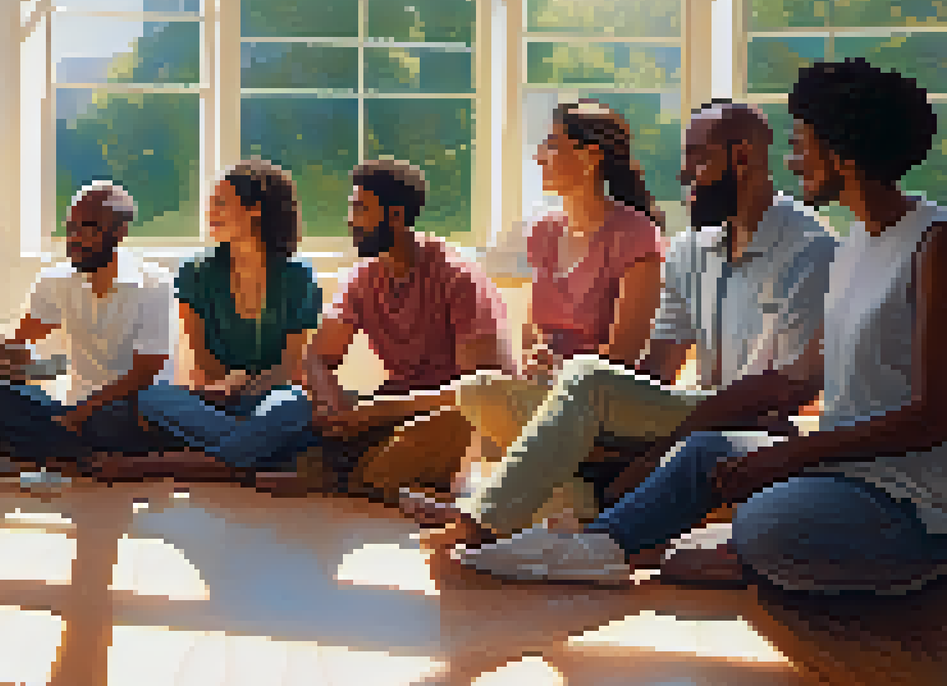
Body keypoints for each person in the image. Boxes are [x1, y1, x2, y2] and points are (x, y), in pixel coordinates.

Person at [460, 59, 947, 596]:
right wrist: (683, 445)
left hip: (923, 501)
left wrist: (789, 454)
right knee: (708, 450)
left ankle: (933, 553)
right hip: (849, 470)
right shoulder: (856, 246)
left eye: (800, 145)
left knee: (767, 525)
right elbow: (798, 379)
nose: (792, 161)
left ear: (841, 152)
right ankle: (597, 546)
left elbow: (931, 420)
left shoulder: (943, 243)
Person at [419, 99, 838, 554]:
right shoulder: (690, 249)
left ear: (742, 156)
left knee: (589, 380)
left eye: (697, 158)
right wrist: (576, 399)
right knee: (487, 391)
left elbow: (785, 392)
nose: (684, 173)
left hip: (755, 422)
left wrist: (659, 448)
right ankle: (566, 503)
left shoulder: (810, 250)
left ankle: (482, 522)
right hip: (693, 409)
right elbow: (658, 371)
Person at [336, 101, 666, 510]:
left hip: (602, 399)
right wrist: (537, 357)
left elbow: (624, 357)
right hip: (547, 392)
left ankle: (458, 494)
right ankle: (530, 505)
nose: (539, 156)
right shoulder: (544, 232)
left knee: (480, 389)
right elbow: (533, 331)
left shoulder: (636, 236)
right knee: (487, 398)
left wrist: (560, 370)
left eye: (552, 144)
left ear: (590, 156)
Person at [301, 160, 513, 501]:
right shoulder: (361, 278)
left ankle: (352, 475)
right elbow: (317, 357)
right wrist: (334, 406)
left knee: (448, 427)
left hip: (450, 414)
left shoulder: (458, 277)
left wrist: (375, 412)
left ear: (396, 216)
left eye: (361, 209)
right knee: (296, 409)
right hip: (395, 406)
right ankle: (367, 474)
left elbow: (485, 390)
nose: (350, 220)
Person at [0, 181, 187, 471]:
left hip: (130, 409)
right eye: (70, 228)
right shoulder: (55, 281)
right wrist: (10, 358)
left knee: (110, 421)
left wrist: (79, 414)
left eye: (88, 227)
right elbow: (20, 341)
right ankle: (80, 454)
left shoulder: (155, 284)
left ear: (119, 231)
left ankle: (53, 449)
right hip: (76, 408)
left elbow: (144, 375)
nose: (74, 238)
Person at [132, 160, 322, 474]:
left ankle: (185, 464)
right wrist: (223, 389)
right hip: (215, 399)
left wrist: (246, 385)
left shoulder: (298, 276)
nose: (210, 213)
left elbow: (289, 367)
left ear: (255, 210)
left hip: (270, 396)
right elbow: (203, 361)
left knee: (295, 403)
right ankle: (259, 450)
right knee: (149, 397)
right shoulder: (194, 272)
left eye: (221, 203)